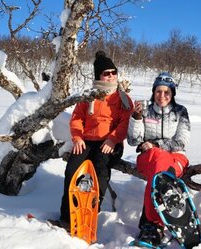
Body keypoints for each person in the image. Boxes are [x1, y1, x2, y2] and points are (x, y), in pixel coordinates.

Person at [59, 50, 133, 224]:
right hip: (87, 140)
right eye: (106, 73)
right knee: (72, 171)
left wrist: (113, 139)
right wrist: (77, 137)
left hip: (110, 142)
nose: (111, 76)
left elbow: (125, 123)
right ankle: (67, 217)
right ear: (99, 76)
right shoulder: (89, 95)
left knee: (100, 170)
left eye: (113, 73)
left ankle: (90, 214)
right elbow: (77, 118)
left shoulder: (122, 98)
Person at [127, 72, 191, 246]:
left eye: (167, 92)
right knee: (159, 167)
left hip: (176, 157)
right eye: (158, 92)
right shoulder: (145, 109)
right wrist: (136, 118)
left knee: (158, 175)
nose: (162, 96)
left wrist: (156, 144)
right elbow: (133, 141)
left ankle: (150, 225)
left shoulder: (181, 112)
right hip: (148, 158)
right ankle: (158, 221)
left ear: (172, 94)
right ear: (153, 92)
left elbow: (181, 142)